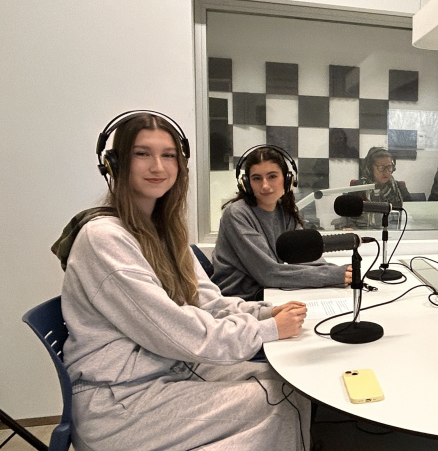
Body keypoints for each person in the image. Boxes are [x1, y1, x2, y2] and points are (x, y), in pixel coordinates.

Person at [55, 111, 310, 450]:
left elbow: (209, 301)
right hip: (119, 402)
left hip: (165, 371)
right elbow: (174, 330)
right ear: (114, 165)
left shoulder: (163, 231)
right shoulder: (104, 239)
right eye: (142, 154)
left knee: (289, 384)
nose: (158, 166)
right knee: (281, 400)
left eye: (168, 155)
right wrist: (268, 330)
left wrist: (265, 312)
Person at [213, 145, 352, 300]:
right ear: (246, 184)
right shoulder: (237, 214)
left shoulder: (284, 211)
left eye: (272, 176)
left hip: (269, 291)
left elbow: (305, 255)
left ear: (287, 179)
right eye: (257, 178)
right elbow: (269, 274)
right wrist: (332, 275)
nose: (265, 185)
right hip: (241, 299)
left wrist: (338, 271)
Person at [339, 147, 411, 229]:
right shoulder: (359, 188)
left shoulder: (399, 189)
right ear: (370, 169)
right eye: (381, 168)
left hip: (394, 233)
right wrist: (352, 228)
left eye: (389, 167)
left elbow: (410, 213)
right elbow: (346, 215)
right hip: (363, 232)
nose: (387, 172)